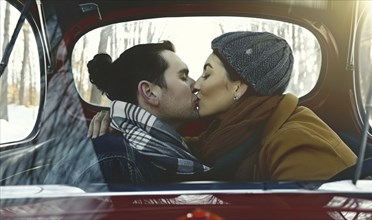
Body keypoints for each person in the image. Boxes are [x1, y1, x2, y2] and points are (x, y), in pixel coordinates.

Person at [89, 31, 357, 181]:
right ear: (149, 92)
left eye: (206, 74)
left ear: (239, 87)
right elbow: (190, 147)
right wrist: (120, 120)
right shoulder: (224, 131)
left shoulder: (296, 140)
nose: (196, 85)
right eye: (186, 76)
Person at [86, 41, 210, 183]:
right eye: (183, 77)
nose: (195, 85)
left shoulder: (166, 150)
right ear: (149, 92)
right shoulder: (115, 158)